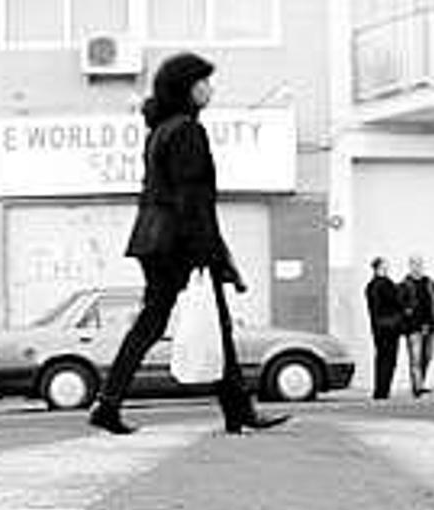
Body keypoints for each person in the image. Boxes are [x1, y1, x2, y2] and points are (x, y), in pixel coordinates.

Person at [88, 52, 289, 436]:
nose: (210, 88)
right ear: (187, 87)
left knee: (155, 322)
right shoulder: (187, 131)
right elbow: (193, 200)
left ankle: (111, 404)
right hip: (180, 242)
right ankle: (237, 410)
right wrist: (212, 256)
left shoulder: (160, 130)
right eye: (204, 81)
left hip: (153, 238)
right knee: (211, 322)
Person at [398, 255, 434, 397]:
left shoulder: (431, 283)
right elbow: (400, 305)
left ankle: (421, 382)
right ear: (410, 266)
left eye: (419, 264)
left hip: (431, 327)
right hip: (414, 328)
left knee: (427, 357)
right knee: (415, 359)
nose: (417, 267)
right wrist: (407, 315)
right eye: (414, 264)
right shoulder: (404, 285)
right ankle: (417, 387)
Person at [363, 257, 406, 400]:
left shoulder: (369, 286)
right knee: (390, 359)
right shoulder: (386, 284)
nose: (388, 268)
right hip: (390, 328)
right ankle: (384, 390)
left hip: (377, 328)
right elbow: (397, 301)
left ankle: (378, 390)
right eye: (385, 266)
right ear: (379, 268)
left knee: (380, 358)